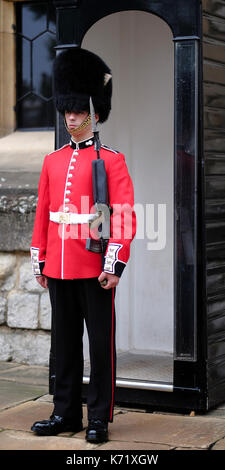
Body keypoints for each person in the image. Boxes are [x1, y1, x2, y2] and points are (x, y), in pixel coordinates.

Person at [30, 48, 136, 443]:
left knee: (101, 346)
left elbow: (122, 215)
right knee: (65, 345)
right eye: (67, 111)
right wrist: (40, 258)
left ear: (92, 112)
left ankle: (99, 418)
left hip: (93, 267)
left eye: (78, 111)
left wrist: (113, 263)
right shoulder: (52, 161)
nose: (71, 118)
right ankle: (65, 413)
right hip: (58, 266)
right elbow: (44, 212)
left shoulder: (111, 160)